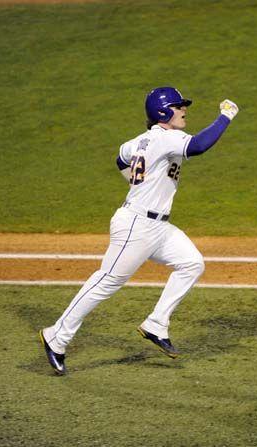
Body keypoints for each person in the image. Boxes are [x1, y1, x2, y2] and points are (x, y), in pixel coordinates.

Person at [39, 87, 239, 375]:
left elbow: (121, 158)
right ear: (162, 112)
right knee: (106, 282)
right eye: (178, 106)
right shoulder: (166, 137)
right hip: (136, 224)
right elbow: (198, 146)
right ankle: (56, 336)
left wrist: (137, 184)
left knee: (191, 263)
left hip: (157, 227)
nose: (184, 110)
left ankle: (156, 323)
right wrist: (225, 116)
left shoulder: (141, 141)